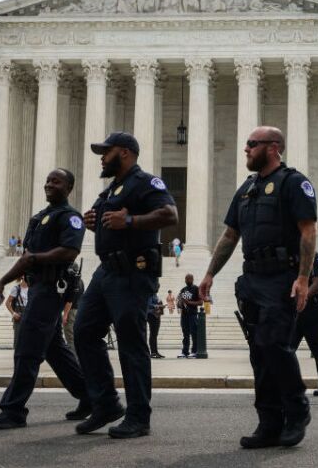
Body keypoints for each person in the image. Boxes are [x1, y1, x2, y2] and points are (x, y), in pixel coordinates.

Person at [199, 126, 316, 449]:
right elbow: (229, 236)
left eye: (252, 144)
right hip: (252, 279)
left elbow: (308, 231)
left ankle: (296, 410)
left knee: (275, 345)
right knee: (259, 353)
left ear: (273, 147)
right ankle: (269, 423)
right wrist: (210, 274)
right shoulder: (247, 189)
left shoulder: (294, 183)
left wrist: (304, 278)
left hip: (282, 277)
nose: (246, 149)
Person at [74, 132, 177, 439]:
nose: (102, 157)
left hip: (133, 272)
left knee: (131, 344)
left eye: (107, 152)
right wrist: (93, 220)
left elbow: (170, 214)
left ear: (126, 153)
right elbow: (104, 218)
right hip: (106, 271)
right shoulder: (110, 190)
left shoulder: (146, 182)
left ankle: (138, 416)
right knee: (83, 332)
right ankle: (106, 403)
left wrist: (130, 221)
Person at [0, 168, 91, 430]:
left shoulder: (71, 218)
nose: (49, 185)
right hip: (36, 288)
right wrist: (2, 282)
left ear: (69, 187)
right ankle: (93, 398)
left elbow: (69, 251)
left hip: (52, 288)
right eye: (47, 180)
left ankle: (13, 410)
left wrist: (35, 259)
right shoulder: (38, 218)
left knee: (28, 349)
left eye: (56, 181)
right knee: (55, 350)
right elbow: (26, 257)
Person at [290, 252, 318, 396]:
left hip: (312, 312)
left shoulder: (315, 257)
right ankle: (285, 384)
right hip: (294, 312)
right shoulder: (291, 258)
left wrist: (303, 297)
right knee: (287, 349)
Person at [177, 274, 202, 358]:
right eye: (186, 279)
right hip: (184, 315)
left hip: (193, 314)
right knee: (185, 334)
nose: (187, 280)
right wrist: (179, 303)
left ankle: (195, 351)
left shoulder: (196, 289)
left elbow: (200, 302)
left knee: (194, 333)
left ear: (192, 279)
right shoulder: (183, 290)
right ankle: (185, 352)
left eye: (189, 279)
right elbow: (179, 302)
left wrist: (189, 302)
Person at [6, 276, 28, 351]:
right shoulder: (16, 288)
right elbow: (7, 303)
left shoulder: (32, 288)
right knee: (18, 336)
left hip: (29, 313)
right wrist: (13, 313)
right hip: (19, 313)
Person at [147, 290, 165, 359]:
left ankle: (155, 351)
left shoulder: (155, 294)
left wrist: (160, 305)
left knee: (154, 334)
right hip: (152, 315)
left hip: (156, 315)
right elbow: (149, 304)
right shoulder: (150, 294)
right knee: (153, 334)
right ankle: (153, 352)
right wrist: (157, 306)